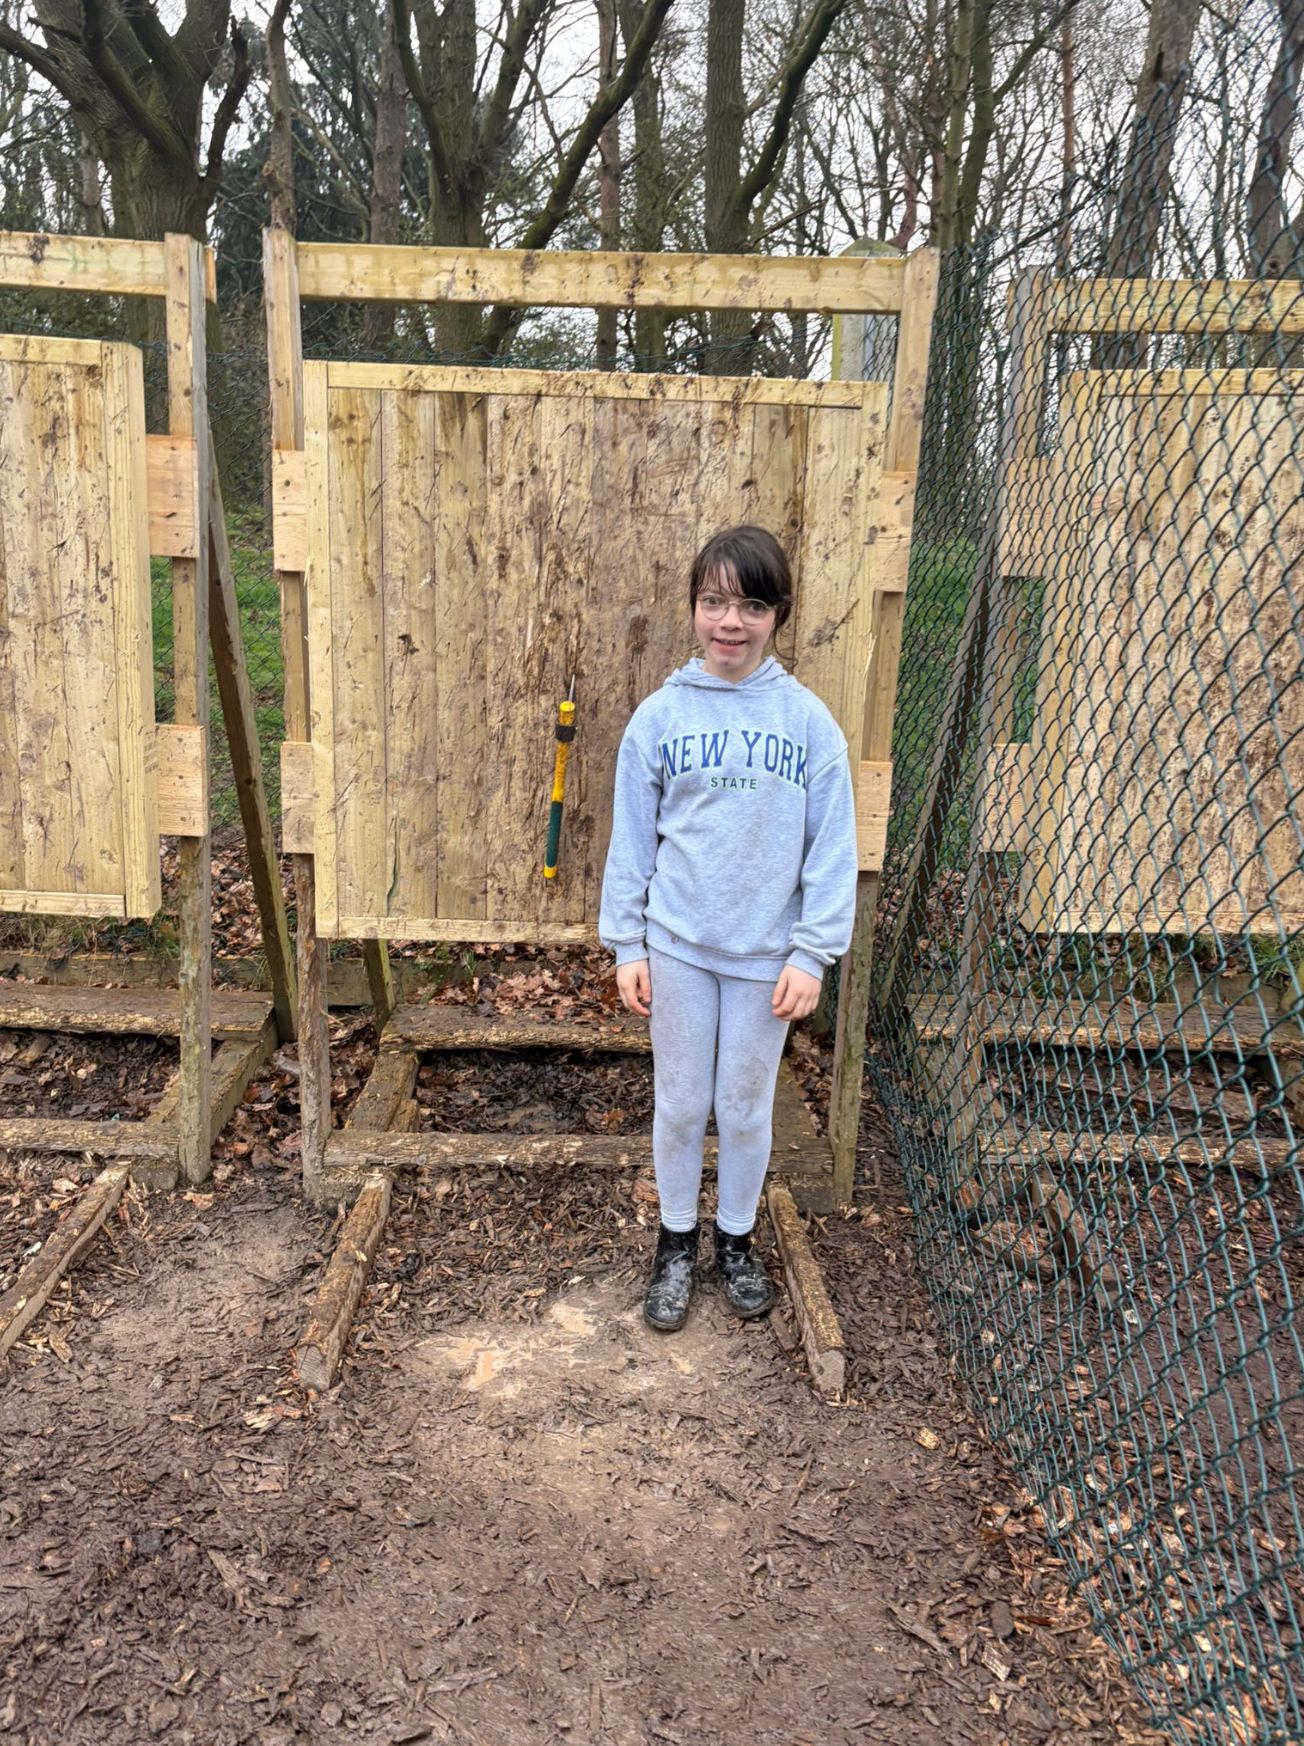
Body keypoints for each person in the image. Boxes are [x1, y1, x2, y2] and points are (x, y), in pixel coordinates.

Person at [598, 525, 858, 1332]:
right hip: (678, 946)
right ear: (694, 608)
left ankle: (736, 1241)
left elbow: (833, 846)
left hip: (765, 958)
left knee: (744, 1108)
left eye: (750, 606)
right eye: (714, 602)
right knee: (681, 1104)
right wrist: (628, 943)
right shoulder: (660, 718)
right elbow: (632, 840)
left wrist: (813, 952)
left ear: (778, 614)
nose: (730, 623)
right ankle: (676, 1242)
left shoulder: (808, 723)